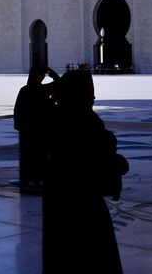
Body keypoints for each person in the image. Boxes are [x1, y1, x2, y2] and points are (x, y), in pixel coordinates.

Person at [42, 69, 128, 274]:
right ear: (79, 93)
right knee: (92, 257)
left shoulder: (57, 118)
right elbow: (93, 163)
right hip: (84, 206)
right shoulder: (87, 121)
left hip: (58, 204)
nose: (94, 96)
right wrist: (117, 164)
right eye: (90, 91)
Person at [13, 66, 57, 193]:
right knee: (30, 156)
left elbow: (61, 83)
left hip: (41, 131)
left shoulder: (42, 89)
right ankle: (30, 180)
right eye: (38, 74)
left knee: (40, 156)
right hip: (30, 131)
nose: (41, 76)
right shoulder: (27, 90)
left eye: (42, 74)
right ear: (32, 75)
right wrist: (19, 124)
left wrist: (51, 72)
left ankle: (38, 180)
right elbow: (18, 109)